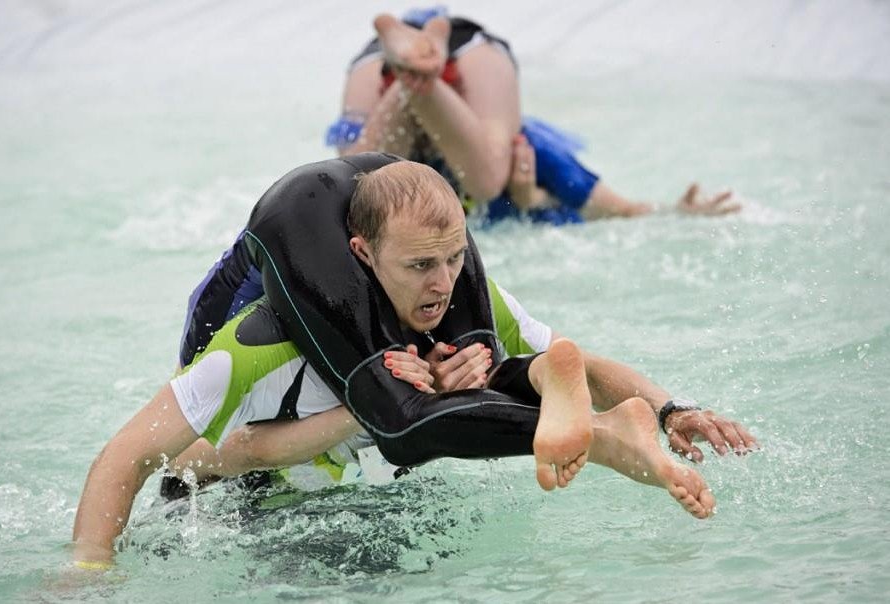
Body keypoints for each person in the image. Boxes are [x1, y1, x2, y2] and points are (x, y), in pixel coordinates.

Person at [72, 157, 754, 571]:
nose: (442, 284)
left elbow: (585, 363)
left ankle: (606, 429)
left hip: (371, 503)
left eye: (454, 260)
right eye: (420, 265)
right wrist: (88, 571)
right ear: (362, 255)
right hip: (253, 512)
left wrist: (672, 407)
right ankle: (603, 437)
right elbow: (143, 458)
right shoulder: (260, 344)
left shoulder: (459, 301)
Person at [327, 8, 740, 226]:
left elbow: (618, 210)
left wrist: (530, 200)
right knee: (374, 194)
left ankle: (410, 67)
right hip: (442, 61)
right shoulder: (519, 150)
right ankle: (415, 70)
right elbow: (619, 210)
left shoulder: (524, 155)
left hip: (428, 58)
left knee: (362, 188)